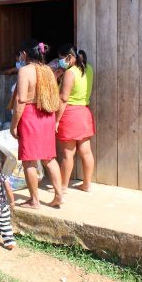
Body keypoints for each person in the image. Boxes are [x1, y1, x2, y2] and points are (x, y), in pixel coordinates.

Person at [10, 39, 64, 209]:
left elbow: (21, 101)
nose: (19, 57)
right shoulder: (48, 70)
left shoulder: (25, 71)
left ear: (25, 54)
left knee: (29, 161)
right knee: (49, 158)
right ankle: (58, 196)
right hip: (47, 115)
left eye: (20, 55)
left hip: (30, 115)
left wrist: (13, 125)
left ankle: (34, 200)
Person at [55, 44, 95, 193]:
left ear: (70, 57)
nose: (60, 62)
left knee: (67, 153)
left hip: (70, 114)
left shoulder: (70, 73)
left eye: (61, 59)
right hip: (84, 113)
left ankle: (63, 187)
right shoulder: (88, 68)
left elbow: (63, 98)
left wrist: (57, 120)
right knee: (86, 151)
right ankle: (87, 184)